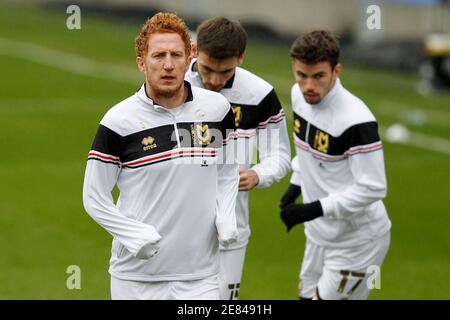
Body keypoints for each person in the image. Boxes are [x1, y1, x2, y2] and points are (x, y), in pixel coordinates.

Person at [82, 12, 239, 300]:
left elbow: (227, 171)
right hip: (136, 276)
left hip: (200, 275)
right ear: (141, 62)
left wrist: (226, 216)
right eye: (158, 56)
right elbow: (94, 196)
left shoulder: (218, 110)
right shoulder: (118, 121)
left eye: (176, 55)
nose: (168, 65)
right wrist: (132, 235)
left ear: (189, 57)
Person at [280, 30, 391, 300]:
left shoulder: (356, 120)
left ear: (336, 71)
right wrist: (295, 185)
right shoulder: (299, 96)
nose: (308, 85)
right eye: (301, 75)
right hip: (319, 235)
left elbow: (373, 188)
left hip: (357, 240)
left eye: (318, 76)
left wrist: (315, 208)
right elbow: (308, 151)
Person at [185, 17, 291, 300]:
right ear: (194, 50)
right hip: (176, 226)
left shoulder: (259, 95)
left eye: (226, 71)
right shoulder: (173, 84)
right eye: (208, 69)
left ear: (241, 57)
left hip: (231, 231)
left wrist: (258, 174)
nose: (215, 80)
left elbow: (279, 154)